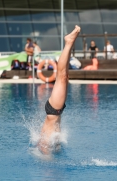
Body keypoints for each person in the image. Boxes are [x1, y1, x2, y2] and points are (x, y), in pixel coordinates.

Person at [38, 25, 81, 154]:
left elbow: (45, 150)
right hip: (56, 111)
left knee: (61, 76)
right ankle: (69, 43)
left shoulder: (45, 146)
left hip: (54, 111)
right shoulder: (48, 145)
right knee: (64, 76)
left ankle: (68, 42)